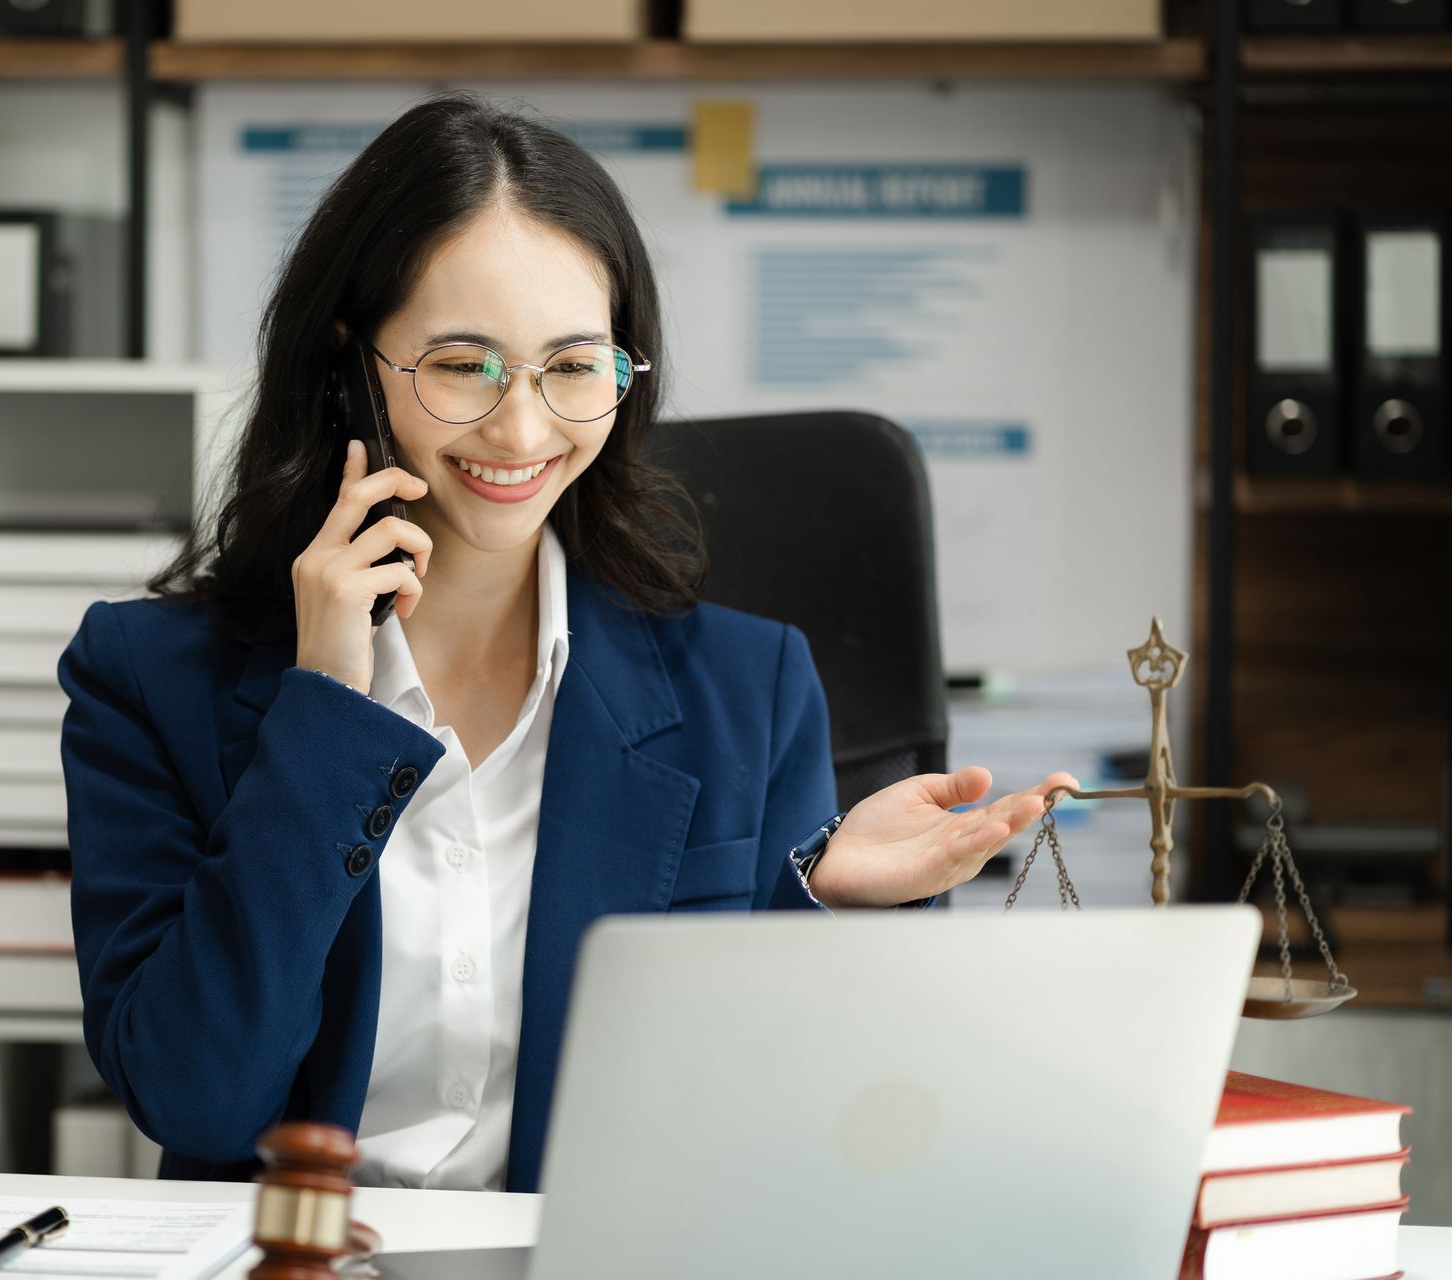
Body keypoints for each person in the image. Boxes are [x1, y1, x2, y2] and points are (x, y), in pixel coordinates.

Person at [59, 91, 1077, 1194]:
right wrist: (323, 712)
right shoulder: (149, 679)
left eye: (573, 364)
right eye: (463, 364)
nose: (523, 428)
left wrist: (819, 898)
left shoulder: (750, 686)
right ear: (354, 362)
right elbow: (195, 1093)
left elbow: (764, 1125)